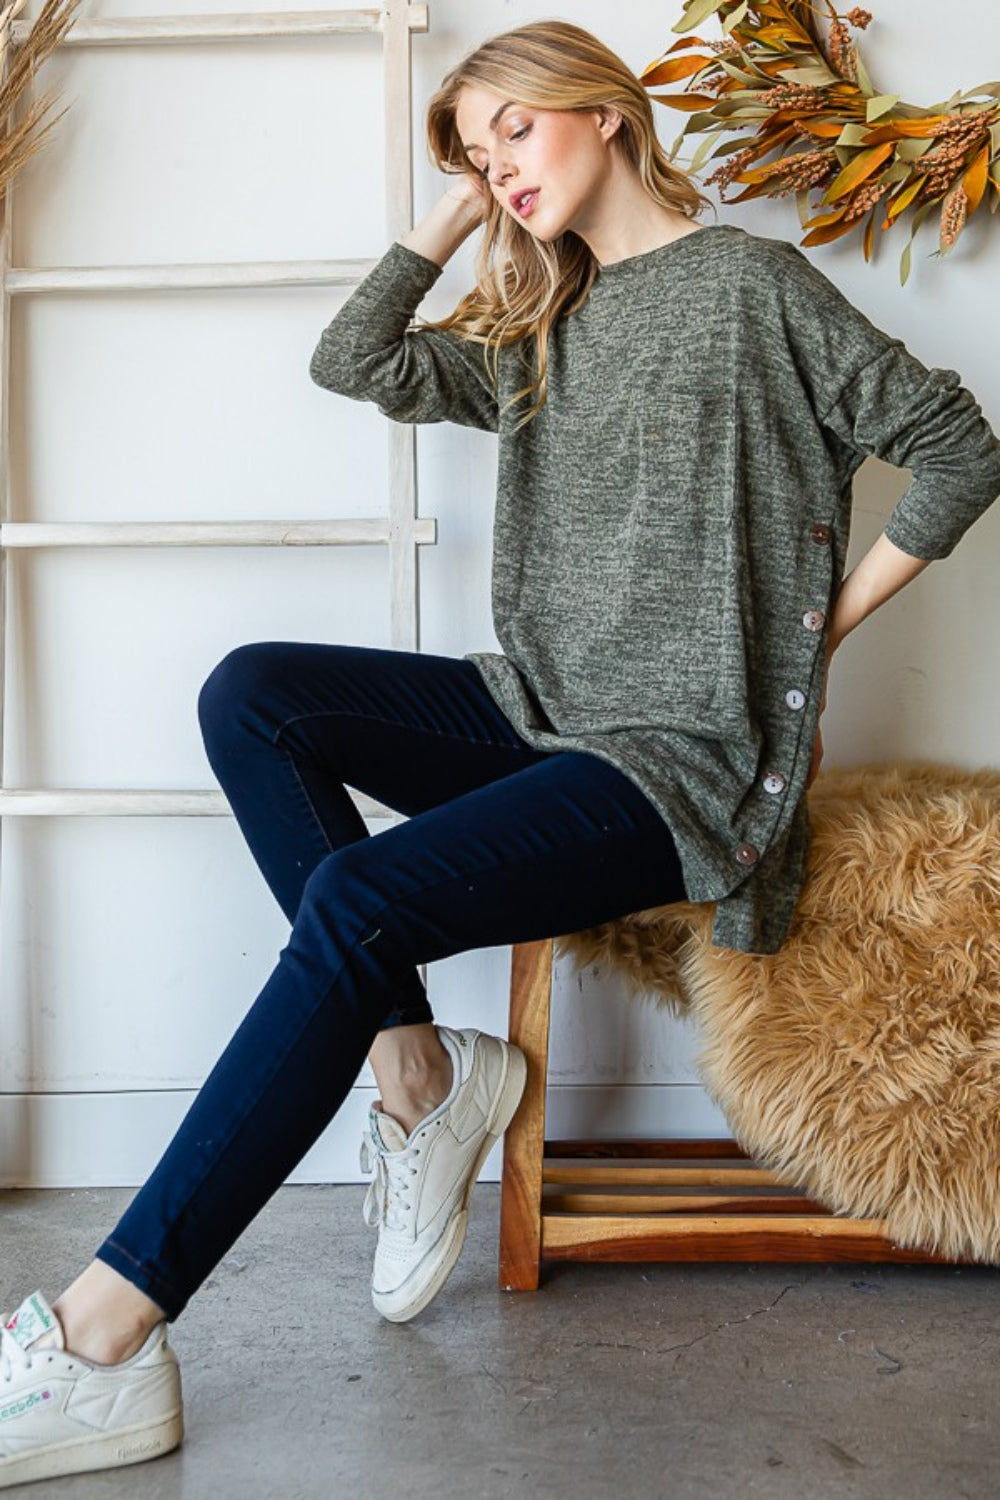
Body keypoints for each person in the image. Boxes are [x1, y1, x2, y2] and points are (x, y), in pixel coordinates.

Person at [3, 15, 1000, 1490]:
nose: (498, 167)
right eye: (477, 152)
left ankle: (109, 1333)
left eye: (514, 131)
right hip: (535, 712)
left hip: (677, 764)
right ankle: (420, 1074)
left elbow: (961, 445)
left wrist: (809, 639)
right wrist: (456, 215)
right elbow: (354, 358)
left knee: (359, 899)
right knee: (252, 693)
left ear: (606, 111)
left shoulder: (751, 287)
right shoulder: (541, 324)